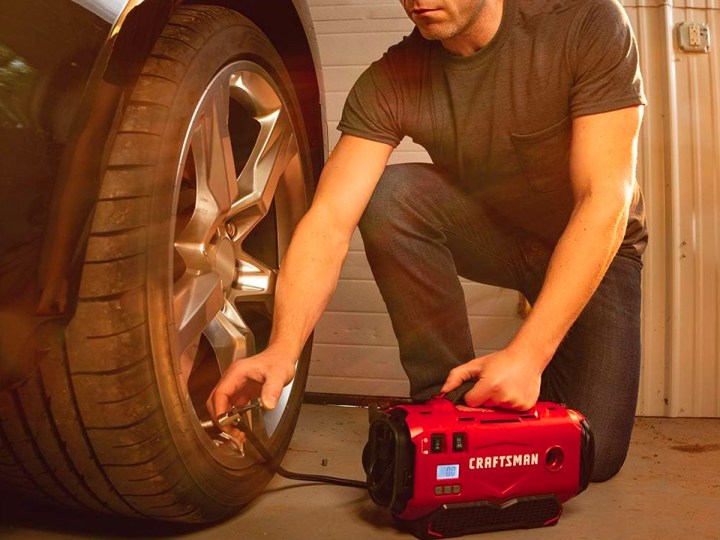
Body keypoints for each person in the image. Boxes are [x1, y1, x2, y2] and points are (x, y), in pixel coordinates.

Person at [208, 0, 647, 482]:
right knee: (391, 196)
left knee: (591, 454)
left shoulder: (584, 21)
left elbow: (604, 198)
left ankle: (526, 387)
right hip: (496, 234)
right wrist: (282, 349)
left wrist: (528, 355)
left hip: (596, 244)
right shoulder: (394, 78)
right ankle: (445, 404)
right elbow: (330, 219)